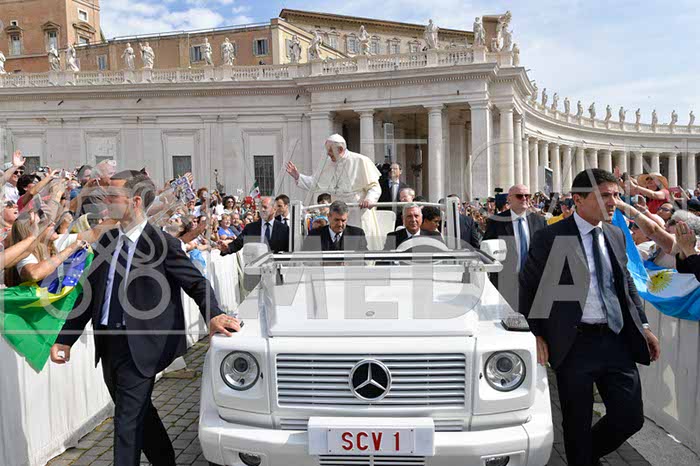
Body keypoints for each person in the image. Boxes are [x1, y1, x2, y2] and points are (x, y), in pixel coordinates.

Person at [50, 171, 238, 466]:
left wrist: (214, 315)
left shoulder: (163, 243)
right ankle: (165, 460)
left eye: (113, 196)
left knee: (126, 421)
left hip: (142, 345)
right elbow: (89, 292)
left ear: (135, 201)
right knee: (138, 411)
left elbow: (196, 284)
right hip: (109, 345)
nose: (105, 202)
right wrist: (65, 338)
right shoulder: (107, 240)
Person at [519, 168, 660, 466]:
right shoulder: (550, 236)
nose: (614, 202)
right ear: (578, 199)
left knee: (630, 417)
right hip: (573, 344)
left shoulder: (616, 234)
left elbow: (626, 283)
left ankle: (584, 456)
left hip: (616, 339)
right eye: (605, 195)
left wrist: (644, 325)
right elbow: (530, 287)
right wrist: (535, 333)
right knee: (576, 423)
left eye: (616, 195)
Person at [286, 134, 382, 249]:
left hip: (358, 210)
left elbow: (374, 186)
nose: (328, 153)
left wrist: (369, 199)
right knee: (337, 243)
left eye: (330, 150)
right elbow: (315, 184)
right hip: (336, 211)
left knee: (358, 243)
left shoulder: (360, 160)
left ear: (340, 149)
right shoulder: (328, 164)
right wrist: (298, 176)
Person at [482, 184, 546, 309]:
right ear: (509, 199)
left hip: (533, 284)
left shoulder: (539, 221)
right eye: (520, 196)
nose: (524, 199)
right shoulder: (496, 221)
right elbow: (487, 250)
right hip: (505, 284)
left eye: (527, 195)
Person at [220, 196, 289, 255]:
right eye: (261, 207)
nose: (262, 210)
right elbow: (238, 243)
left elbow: (288, 250)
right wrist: (227, 248)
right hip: (255, 264)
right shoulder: (250, 228)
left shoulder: (284, 229)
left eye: (265, 207)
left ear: (274, 209)